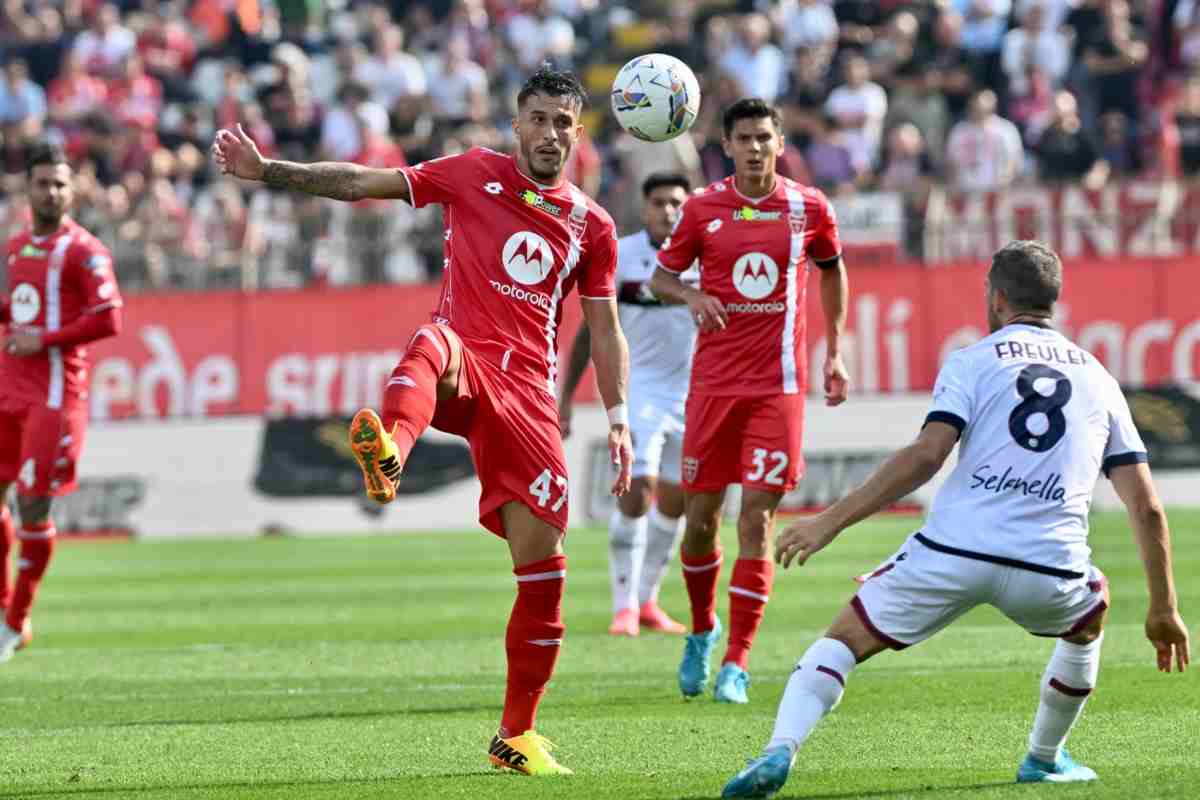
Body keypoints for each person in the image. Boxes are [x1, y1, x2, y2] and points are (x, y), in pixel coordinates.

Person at [212, 65, 632, 777]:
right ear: (516, 123)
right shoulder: (472, 173)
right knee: (431, 341)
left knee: (545, 575)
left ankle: (516, 737)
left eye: (564, 122)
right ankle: (392, 456)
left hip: (528, 397)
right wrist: (270, 170)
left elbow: (607, 327)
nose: (550, 133)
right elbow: (361, 184)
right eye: (538, 118)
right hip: (465, 360)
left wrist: (617, 417)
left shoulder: (593, 226)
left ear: (578, 133)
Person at [721, 240, 1190, 798]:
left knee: (842, 642)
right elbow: (1147, 506)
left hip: (953, 555)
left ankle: (780, 749)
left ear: (996, 299)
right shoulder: (1100, 379)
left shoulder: (974, 360)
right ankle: (1043, 758)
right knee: (1089, 615)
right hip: (1050, 569)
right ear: (1054, 301)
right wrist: (1164, 608)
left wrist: (829, 523)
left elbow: (926, 456)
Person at [649, 98, 850, 705]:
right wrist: (689, 296)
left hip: (777, 389)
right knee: (700, 522)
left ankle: (736, 662)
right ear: (728, 146)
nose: (756, 147)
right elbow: (660, 277)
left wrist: (834, 350)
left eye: (765, 136)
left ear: (781, 141)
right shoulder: (703, 209)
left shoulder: (808, 207)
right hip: (711, 388)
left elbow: (833, 269)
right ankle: (702, 630)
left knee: (756, 521)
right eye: (745, 138)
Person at [0, 142, 123, 662]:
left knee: (33, 505)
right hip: (9, 387)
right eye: (41, 183)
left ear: (71, 191)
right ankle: (5, 611)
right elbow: (20, 314)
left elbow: (109, 317)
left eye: (59, 183)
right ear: (27, 189)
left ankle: (14, 622)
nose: (50, 191)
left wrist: (44, 340)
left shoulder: (85, 251)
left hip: (54, 396)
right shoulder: (16, 246)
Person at [559, 172, 694, 638]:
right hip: (641, 390)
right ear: (644, 207)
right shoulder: (622, 256)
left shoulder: (704, 256)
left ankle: (647, 600)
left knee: (677, 502)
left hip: (693, 395)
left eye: (676, 202)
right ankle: (623, 608)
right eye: (659, 202)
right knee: (638, 492)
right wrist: (566, 398)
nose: (668, 211)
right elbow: (589, 332)